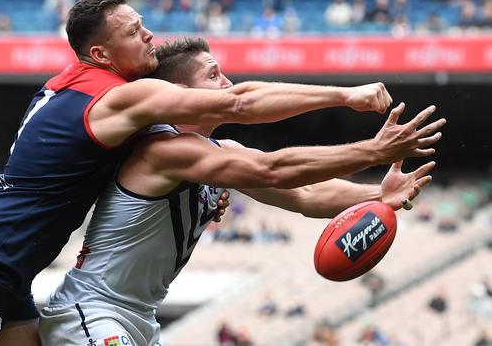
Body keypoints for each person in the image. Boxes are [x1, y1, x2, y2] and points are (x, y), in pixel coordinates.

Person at [0, 0, 412, 346]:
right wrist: (353, 111)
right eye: (133, 31)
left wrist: (377, 197)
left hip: (29, 276)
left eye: (143, 24)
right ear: (101, 53)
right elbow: (255, 130)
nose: (149, 35)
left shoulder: (104, 102)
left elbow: (300, 194)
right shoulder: (129, 111)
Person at [37, 37, 443, 345]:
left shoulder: (219, 154)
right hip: (92, 311)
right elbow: (275, 170)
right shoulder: (160, 151)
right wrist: (373, 149)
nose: (228, 83)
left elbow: (305, 196)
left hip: (139, 317)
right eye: (213, 75)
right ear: (183, 94)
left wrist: (377, 197)